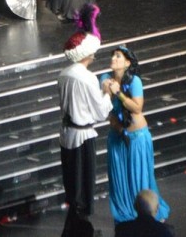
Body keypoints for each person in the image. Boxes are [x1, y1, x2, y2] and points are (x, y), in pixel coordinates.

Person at [100, 45, 170, 224]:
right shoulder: (105, 78)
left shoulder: (134, 81)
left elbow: (137, 108)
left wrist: (119, 93)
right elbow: (104, 106)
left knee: (140, 178)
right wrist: (108, 90)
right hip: (117, 137)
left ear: (127, 62)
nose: (113, 59)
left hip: (137, 137)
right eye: (113, 56)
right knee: (120, 179)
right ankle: (126, 212)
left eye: (118, 56)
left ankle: (147, 212)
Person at [57, 31, 110, 237]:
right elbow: (100, 112)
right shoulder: (87, 78)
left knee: (72, 183)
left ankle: (74, 226)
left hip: (67, 134)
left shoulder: (63, 75)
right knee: (83, 185)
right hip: (82, 136)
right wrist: (107, 93)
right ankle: (80, 227)